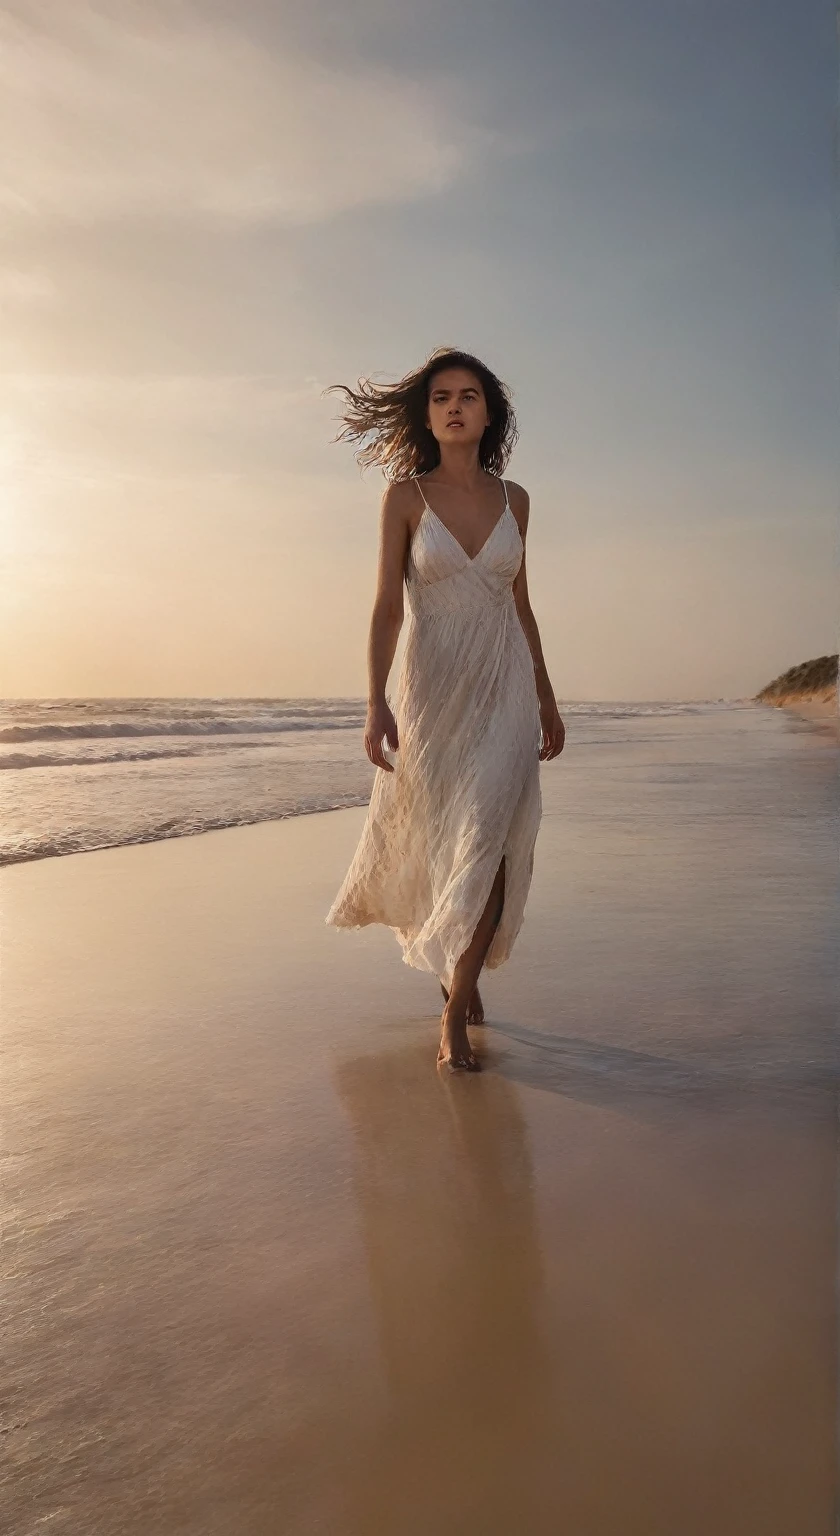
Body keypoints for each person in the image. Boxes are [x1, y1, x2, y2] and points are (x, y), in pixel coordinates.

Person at [324, 346, 565, 1071]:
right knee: (441, 839)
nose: (455, 406)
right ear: (426, 415)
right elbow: (385, 608)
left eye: (469, 396)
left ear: (489, 413)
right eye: (441, 398)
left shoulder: (514, 499)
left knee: (488, 840)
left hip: (504, 685)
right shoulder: (405, 497)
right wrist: (375, 702)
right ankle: (454, 971)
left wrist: (547, 695)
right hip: (433, 688)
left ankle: (455, 1015)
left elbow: (521, 604)